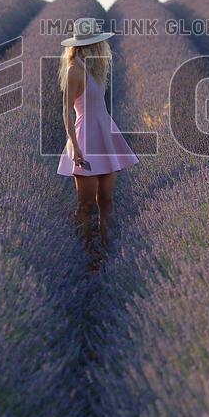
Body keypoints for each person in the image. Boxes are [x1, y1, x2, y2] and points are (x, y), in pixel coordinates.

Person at [57, 18, 139, 263]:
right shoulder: (75, 69)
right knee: (85, 205)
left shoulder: (93, 67)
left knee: (106, 200)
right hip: (86, 138)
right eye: (98, 43)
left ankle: (107, 253)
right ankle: (84, 255)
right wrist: (76, 147)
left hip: (105, 134)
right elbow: (66, 112)